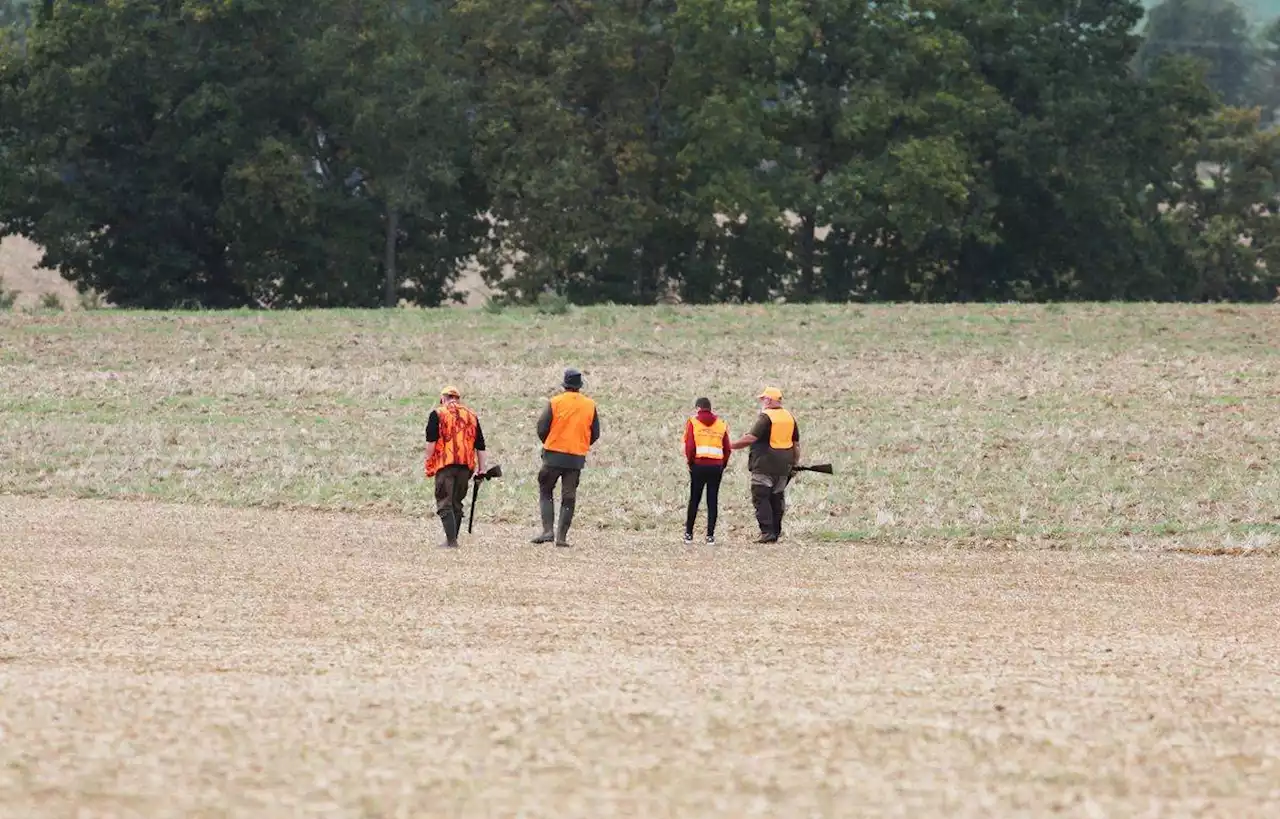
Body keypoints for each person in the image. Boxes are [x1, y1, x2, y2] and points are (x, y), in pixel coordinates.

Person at [532, 367, 600, 547]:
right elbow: (595, 433)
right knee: (569, 496)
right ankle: (561, 537)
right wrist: (581, 443)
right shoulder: (589, 405)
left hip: (553, 455)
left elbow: (541, 427)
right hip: (576, 458)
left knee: (546, 490)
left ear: (565, 385)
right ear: (579, 386)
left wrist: (550, 442)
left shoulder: (555, 402)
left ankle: (548, 531)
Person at [729, 387, 799, 543]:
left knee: (761, 496)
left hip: (764, 464)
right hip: (784, 465)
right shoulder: (789, 417)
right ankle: (776, 531)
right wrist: (794, 464)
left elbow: (750, 438)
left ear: (768, 400)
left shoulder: (766, 417)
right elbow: (796, 444)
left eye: (763, 399)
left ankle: (767, 532)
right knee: (777, 497)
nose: (762, 402)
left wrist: (730, 445)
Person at [424, 385, 488, 549]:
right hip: (465, 466)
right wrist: (482, 469)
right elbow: (480, 445)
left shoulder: (438, 413)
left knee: (444, 502)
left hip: (445, 464)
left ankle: (451, 542)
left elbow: (431, 441)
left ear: (443, 398)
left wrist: (428, 461)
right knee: (456, 502)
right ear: (457, 399)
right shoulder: (471, 415)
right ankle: (452, 539)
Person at [682, 397, 731, 544]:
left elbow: (690, 446)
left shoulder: (693, 422)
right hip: (716, 466)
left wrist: (690, 462)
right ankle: (710, 535)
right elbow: (727, 448)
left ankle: (689, 534)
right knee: (712, 500)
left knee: (694, 499)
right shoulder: (721, 424)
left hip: (698, 465)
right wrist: (723, 464)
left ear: (698, 408)